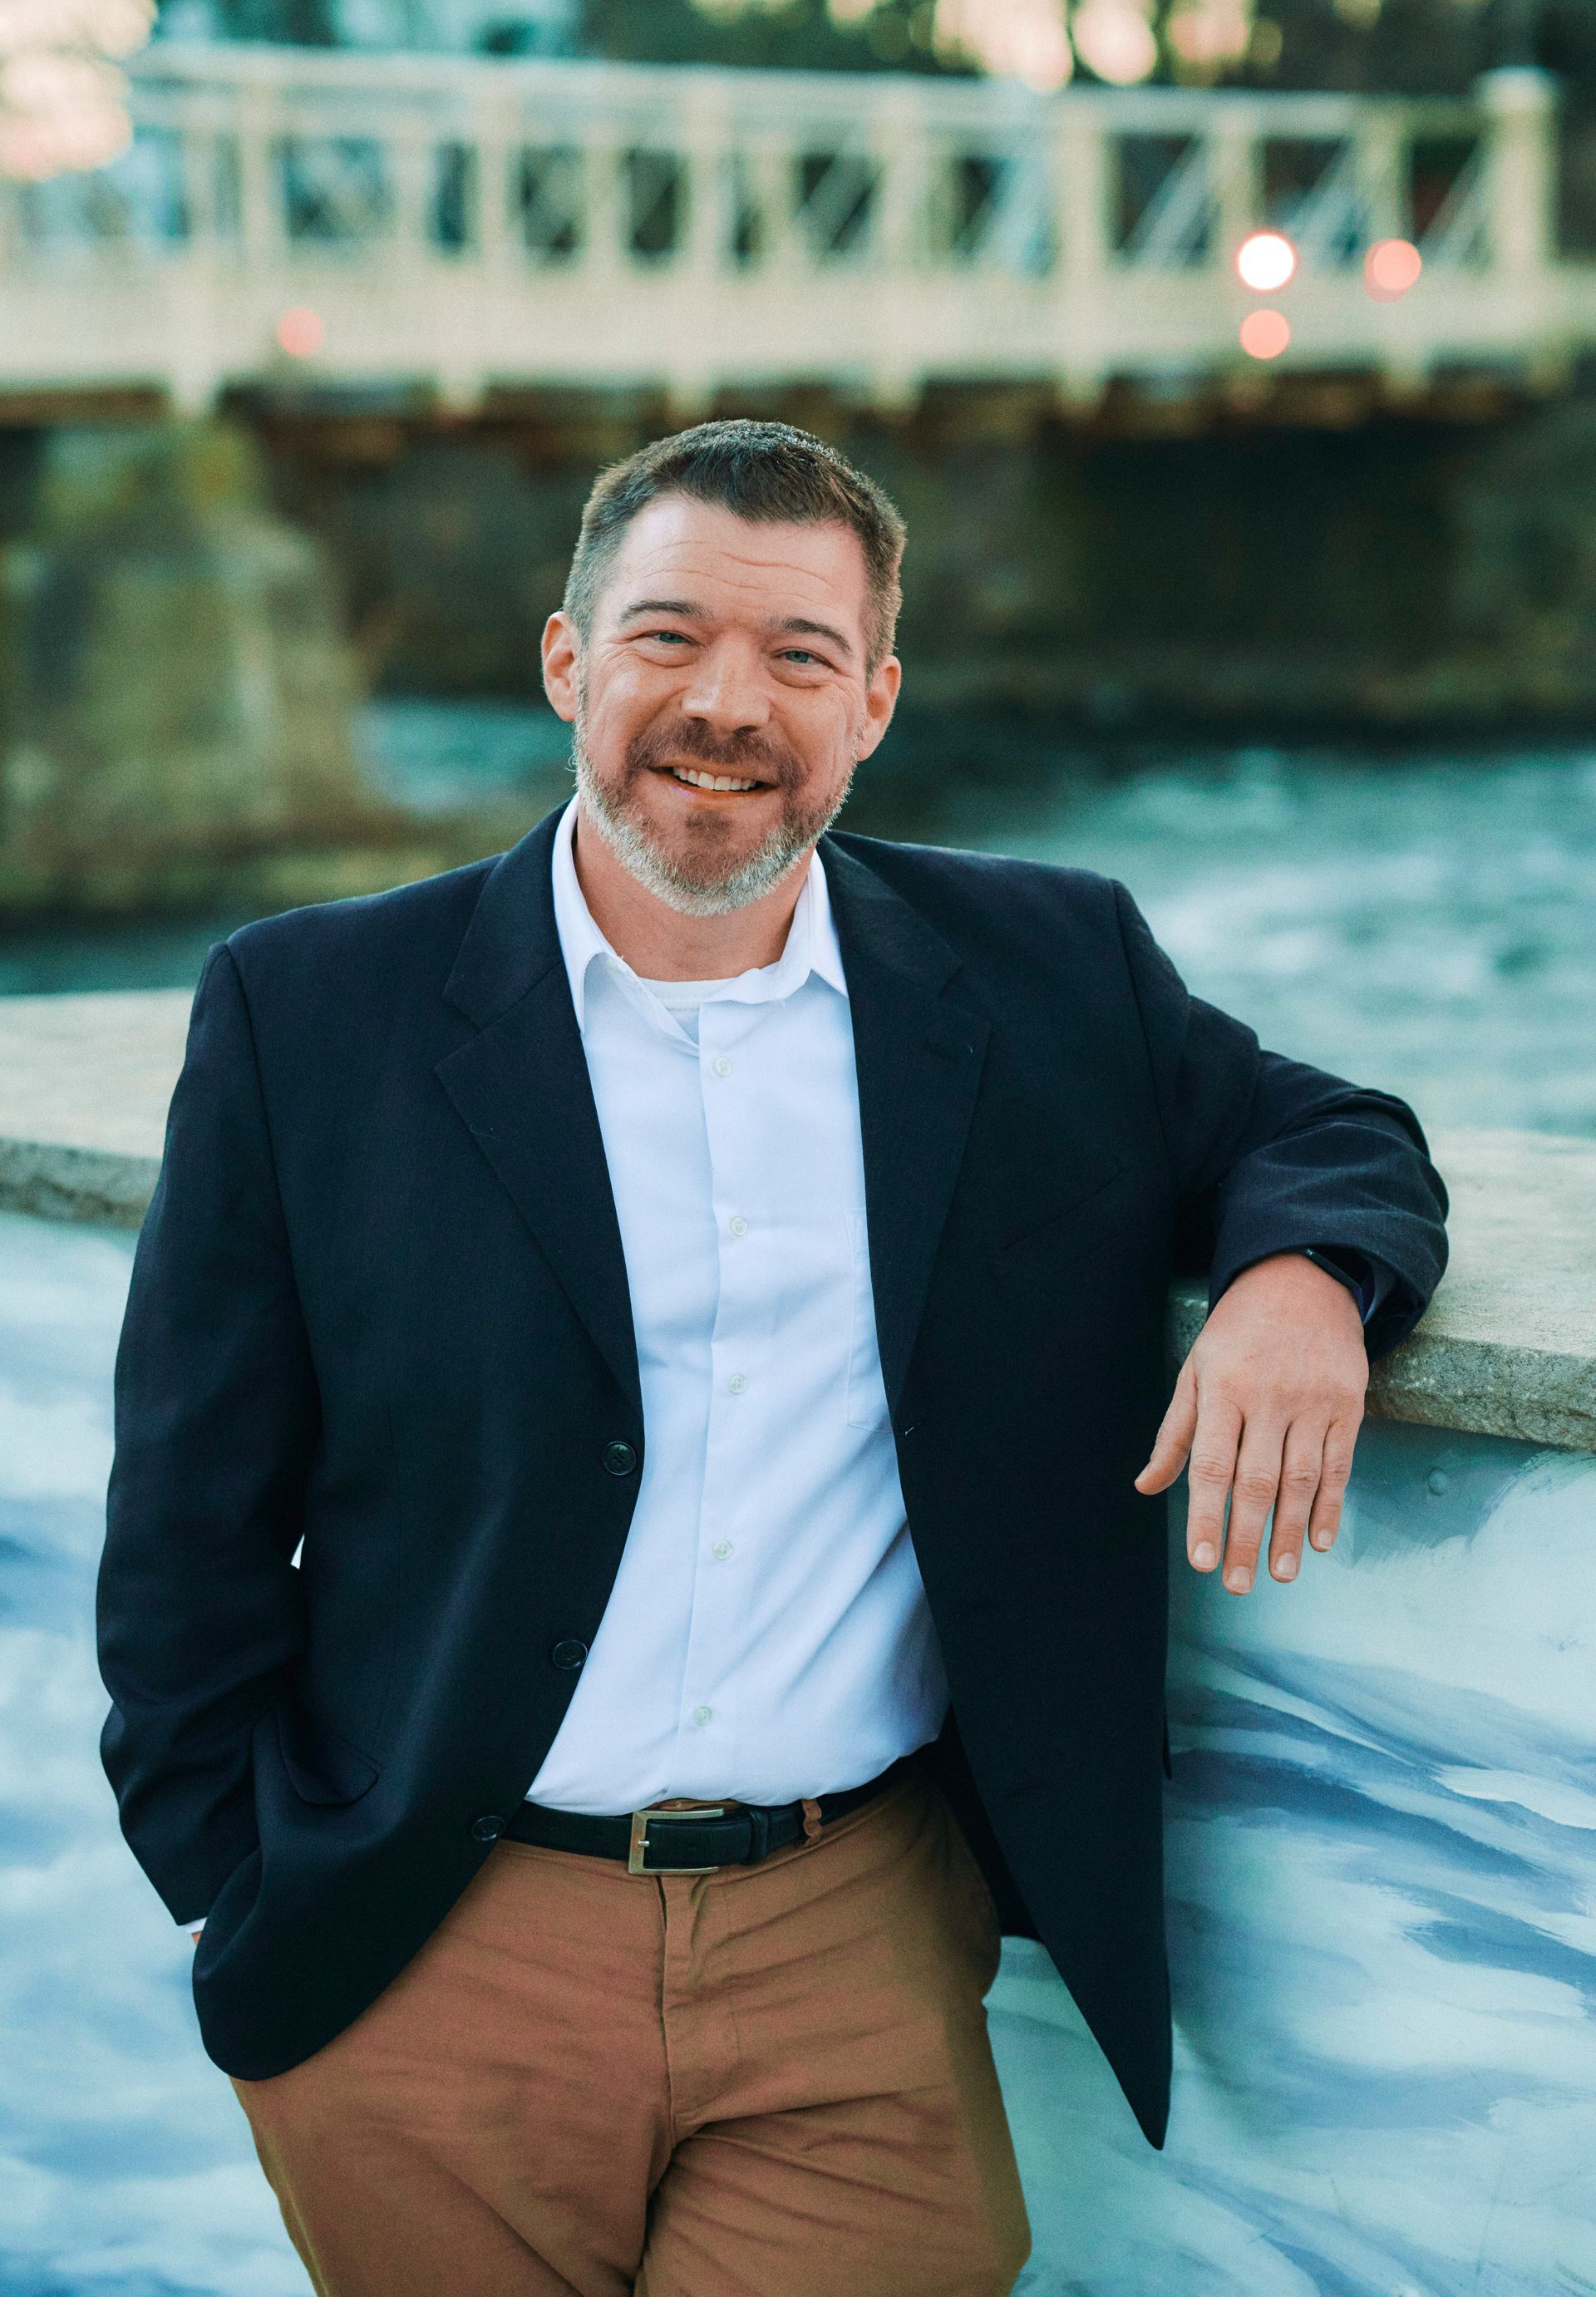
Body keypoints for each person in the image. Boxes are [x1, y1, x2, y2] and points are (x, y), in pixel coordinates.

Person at [98, 418, 1448, 2297]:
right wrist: (247, 1885)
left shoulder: (1046, 970)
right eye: (666, 638)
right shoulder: (309, 1010)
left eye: (799, 657)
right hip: (430, 1951)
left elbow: (1331, 1130)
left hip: (858, 1951)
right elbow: (187, 1515)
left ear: (875, 701)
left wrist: (1302, 1282)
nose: (728, 704)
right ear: (567, 661)